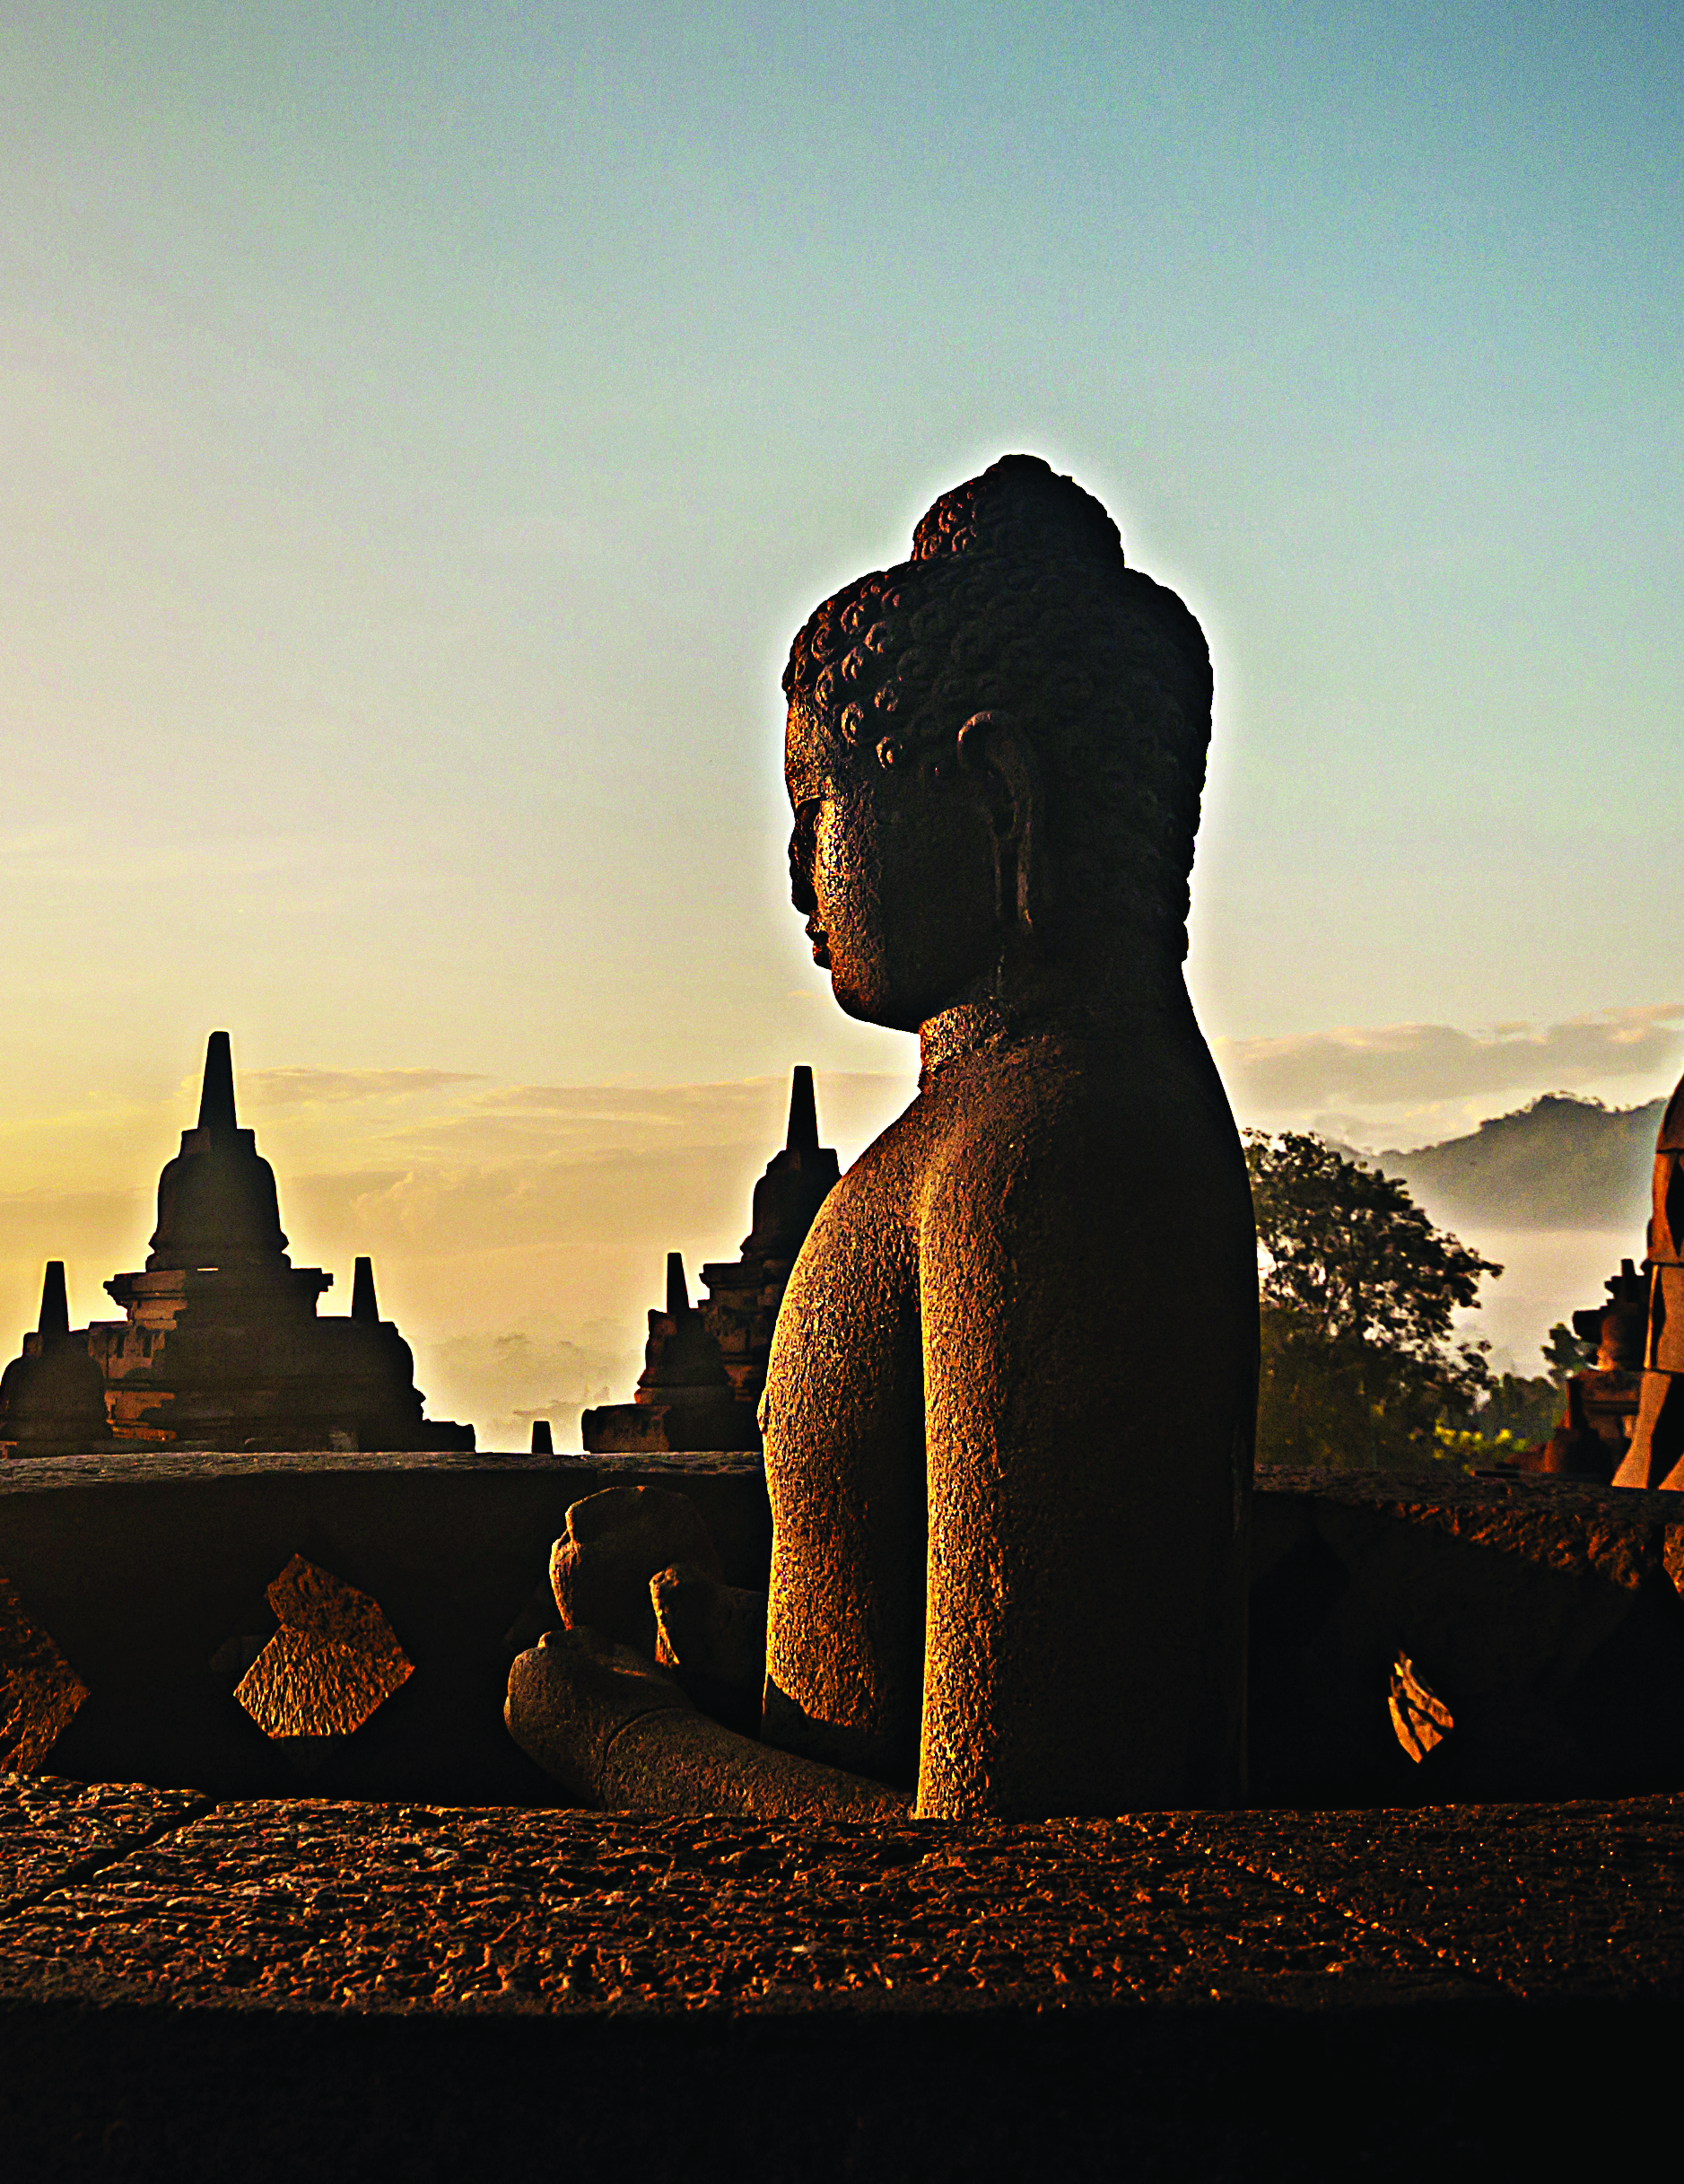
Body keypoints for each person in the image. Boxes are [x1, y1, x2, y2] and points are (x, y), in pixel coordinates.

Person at [510, 453, 1255, 1819]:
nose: (796, 877)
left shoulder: (1045, 1162)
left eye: (818, 810)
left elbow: (1019, 1859)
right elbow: (911, 1688)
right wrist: (725, 1625)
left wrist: (609, 1733)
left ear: (996, 801)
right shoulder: (980, 1131)